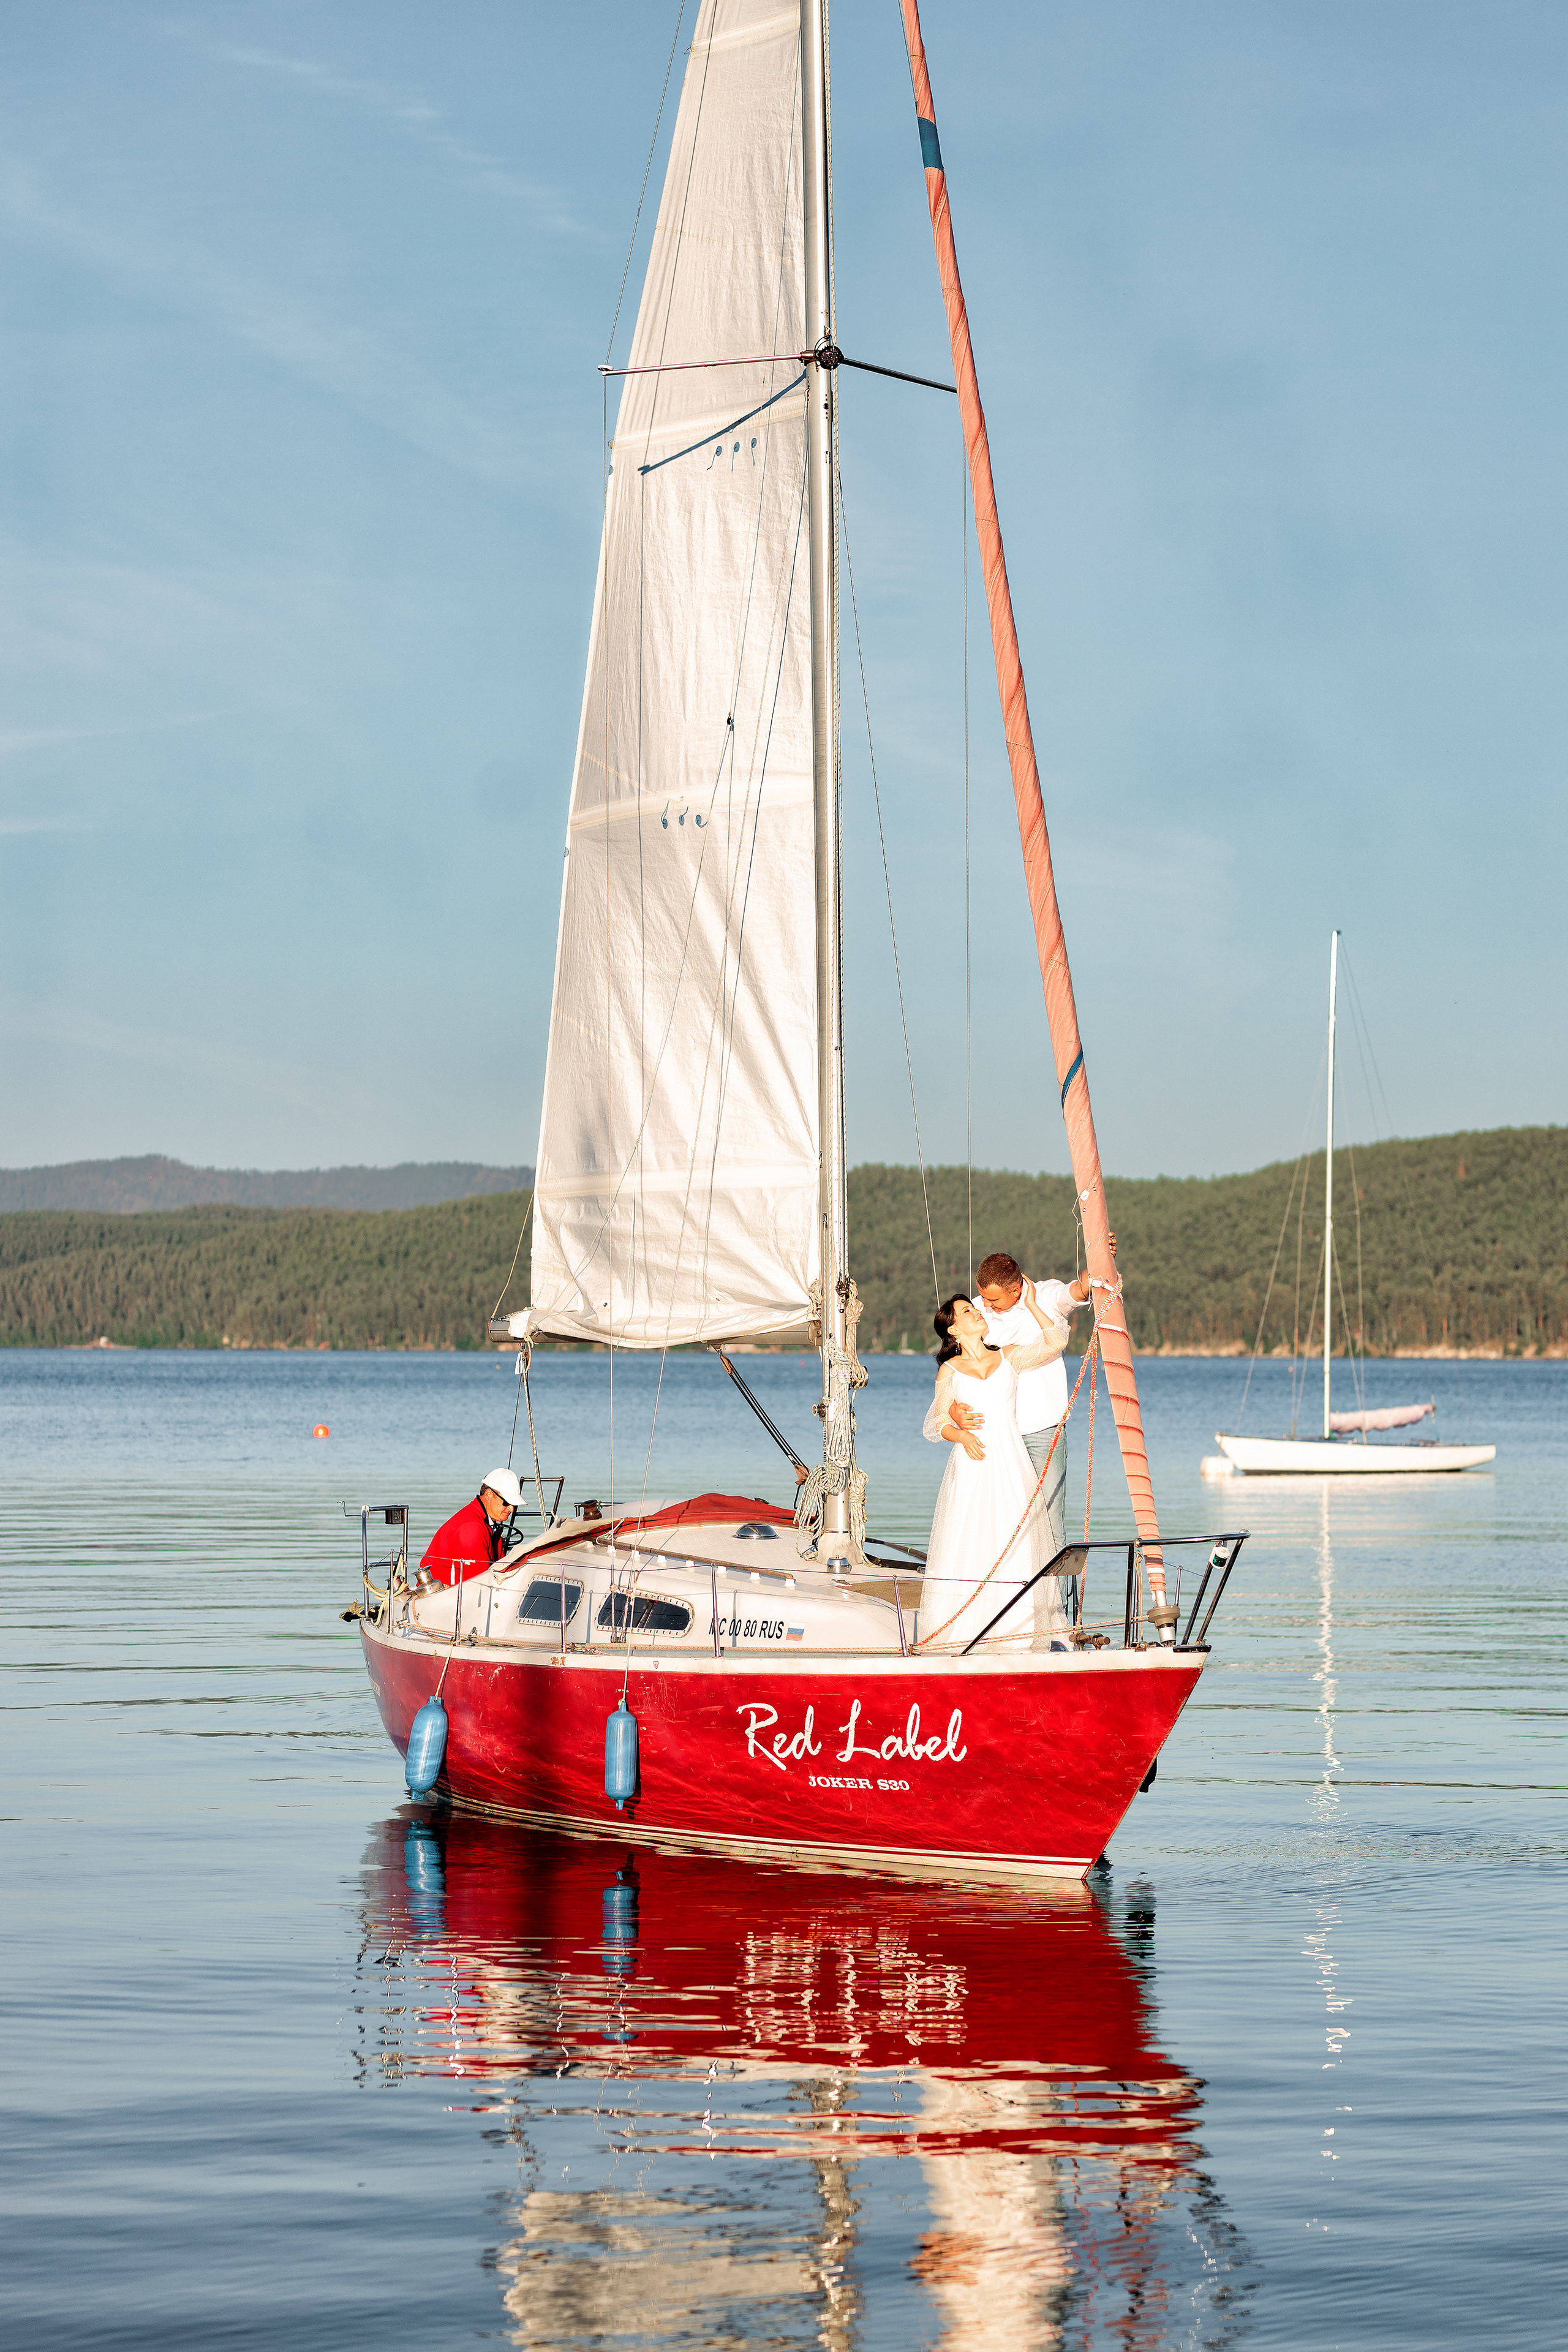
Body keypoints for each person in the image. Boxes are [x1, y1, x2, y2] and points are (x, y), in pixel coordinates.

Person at [922, 1244, 1110, 1561]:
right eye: (981, 1298)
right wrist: (955, 1412)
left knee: (1049, 1524)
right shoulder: (978, 1311)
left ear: (1016, 1289)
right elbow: (954, 1378)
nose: (985, 1306)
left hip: (1041, 1430)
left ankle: (1055, 1607)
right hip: (996, 1438)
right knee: (996, 1524)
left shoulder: (1046, 1296)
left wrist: (1101, 1256)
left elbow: (1080, 1289)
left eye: (993, 1299)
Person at [921, 1282, 1069, 1651]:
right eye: (968, 1311)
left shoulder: (1009, 1356)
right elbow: (935, 1424)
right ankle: (965, 1628)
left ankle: (1017, 1627)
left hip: (1010, 1460)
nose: (977, 1312)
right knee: (970, 1537)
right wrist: (961, 1434)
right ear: (954, 1329)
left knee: (1014, 1538)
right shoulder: (949, 1371)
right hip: (973, 1463)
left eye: (976, 1309)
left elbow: (1055, 1342)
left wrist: (1033, 1303)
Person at [420, 1467, 524, 1588]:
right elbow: (482, 1582)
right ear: (489, 1494)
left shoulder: (487, 1522)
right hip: (445, 1597)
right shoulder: (472, 1528)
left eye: (514, 1504)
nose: (511, 1509)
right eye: (506, 1502)